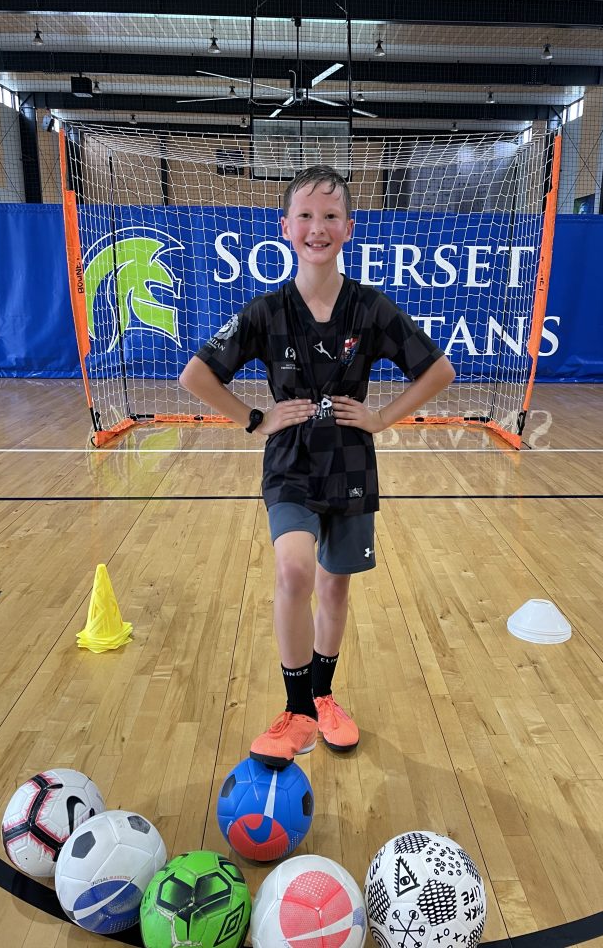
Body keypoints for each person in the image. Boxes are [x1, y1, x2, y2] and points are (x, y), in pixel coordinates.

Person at [180, 165, 455, 769]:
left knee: (334, 586)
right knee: (294, 572)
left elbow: (439, 371)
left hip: (352, 463)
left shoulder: (372, 308)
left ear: (349, 229)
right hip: (290, 464)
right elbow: (196, 375)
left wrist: (383, 418)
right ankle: (298, 708)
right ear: (285, 227)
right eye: (305, 215)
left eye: (330, 216)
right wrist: (255, 419)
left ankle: (326, 697)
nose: (317, 227)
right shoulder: (265, 311)